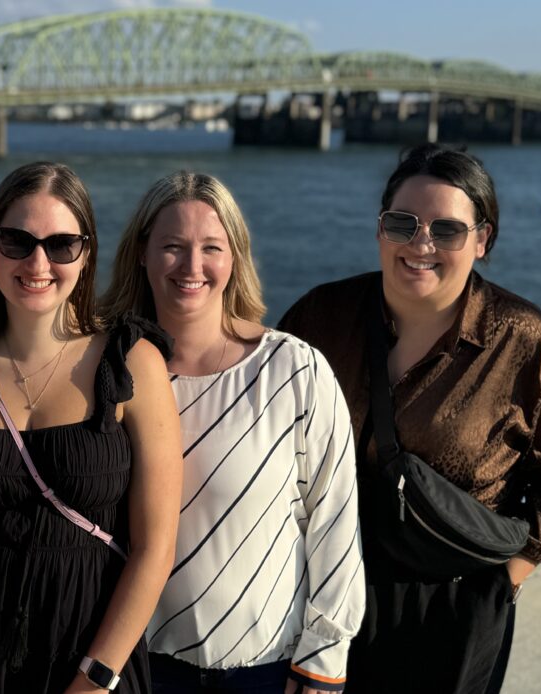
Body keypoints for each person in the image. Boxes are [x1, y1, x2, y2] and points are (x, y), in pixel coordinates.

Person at [278, 143, 541, 694]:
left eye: (447, 230)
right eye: (403, 223)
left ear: (482, 240)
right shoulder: (322, 316)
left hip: (454, 603)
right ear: (381, 230)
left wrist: (511, 574)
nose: (420, 243)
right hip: (322, 588)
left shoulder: (524, 341)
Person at [101, 172, 364, 694]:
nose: (191, 266)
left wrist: (322, 666)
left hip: (264, 672)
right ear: (142, 254)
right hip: (137, 671)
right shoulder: (105, 372)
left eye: (210, 248)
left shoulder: (294, 370)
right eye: (172, 246)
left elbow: (335, 522)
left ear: (235, 257)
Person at [0, 161, 182, 693]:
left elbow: (155, 547)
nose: (38, 262)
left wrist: (95, 678)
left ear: (86, 255)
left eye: (62, 244)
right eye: (16, 241)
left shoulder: (131, 362)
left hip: (90, 656)